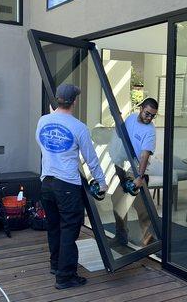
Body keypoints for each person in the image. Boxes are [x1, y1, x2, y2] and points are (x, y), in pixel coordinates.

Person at [36, 84, 108, 290]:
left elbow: (41, 144)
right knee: (69, 229)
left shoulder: (43, 121)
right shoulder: (79, 127)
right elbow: (91, 159)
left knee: (54, 226)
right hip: (67, 185)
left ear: (57, 99)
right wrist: (102, 183)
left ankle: (56, 265)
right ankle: (65, 277)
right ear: (74, 101)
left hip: (46, 183)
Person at [110, 97, 158, 247]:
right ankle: (122, 236)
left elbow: (144, 155)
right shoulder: (130, 119)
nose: (149, 118)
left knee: (141, 208)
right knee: (117, 201)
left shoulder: (150, 131)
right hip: (125, 167)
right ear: (141, 108)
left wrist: (139, 177)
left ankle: (149, 240)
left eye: (152, 115)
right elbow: (121, 134)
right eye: (147, 114)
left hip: (136, 171)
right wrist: (116, 119)